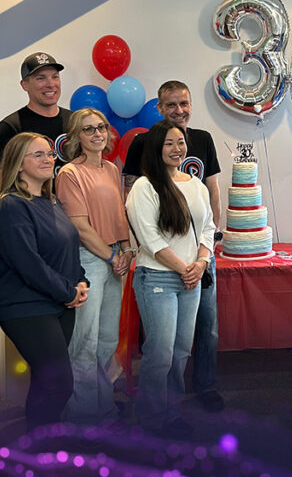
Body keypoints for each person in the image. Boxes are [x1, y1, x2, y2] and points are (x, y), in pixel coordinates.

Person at [122, 80, 225, 412]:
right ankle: (152, 419)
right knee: (161, 352)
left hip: (194, 271)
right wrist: (186, 269)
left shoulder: (193, 182)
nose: (177, 148)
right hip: (162, 276)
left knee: (184, 349)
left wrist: (202, 260)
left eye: (181, 143)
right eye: (169, 143)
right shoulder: (144, 185)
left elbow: (208, 221)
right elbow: (149, 238)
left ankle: (172, 409)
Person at [0, 133, 88, 431]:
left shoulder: (49, 200)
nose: (48, 159)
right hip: (27, 307)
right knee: (59, 384)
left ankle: (41, 444)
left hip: (59, 303)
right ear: (18, 164)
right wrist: (67, 291)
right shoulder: (10, 207)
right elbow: (28, 264)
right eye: (38, 155)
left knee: (46, 382)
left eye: (49, 153)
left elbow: (67, 246)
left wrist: (81, 282)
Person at [55, 108, 133, 424]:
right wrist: (112, 257)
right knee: (84, 344)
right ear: (76, 137)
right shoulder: (69, 174)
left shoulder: (113, 170)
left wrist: (126, 250)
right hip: (90, 259)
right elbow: (80, 227)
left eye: (101, 127)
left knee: (107, 341)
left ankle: (104, 407)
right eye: (88, 129)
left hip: (116, 255)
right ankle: (85, 417)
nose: (97, 133)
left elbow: (119, 215)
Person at [0, 52, 72, 182]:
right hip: (30, 202)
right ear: (24, 85)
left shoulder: (74, 121)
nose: (50, 84)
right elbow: (0, 180)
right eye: (40, 78)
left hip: (75, 201)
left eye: (55, 77)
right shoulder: (11, 127)